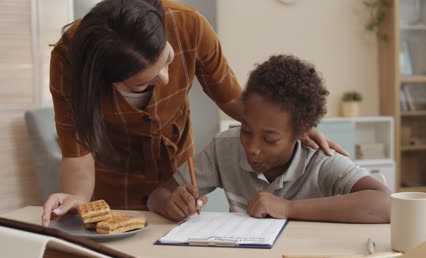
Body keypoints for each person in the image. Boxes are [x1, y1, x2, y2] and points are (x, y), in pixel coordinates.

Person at [42, 0, 347, 227]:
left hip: (175, 175)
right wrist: (79, 197)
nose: (164, 80)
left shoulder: (188, 26)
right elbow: (78, 153)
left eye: (168, 60)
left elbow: (236, 102)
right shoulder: (69, 62)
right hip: (111, 182)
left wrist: (291, 128)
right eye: (144, 82)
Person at [148, 55, 391, 223]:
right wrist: (171, 204)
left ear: (302, 132)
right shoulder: (225, 147)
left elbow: (386, 204)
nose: (252, 148)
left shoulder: (321, 160)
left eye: (270, 139)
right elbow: (158, 195)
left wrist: (288, 208)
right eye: (246, 130)